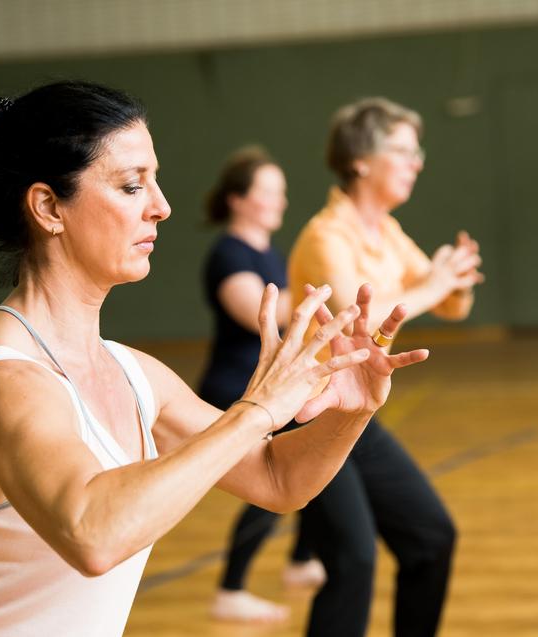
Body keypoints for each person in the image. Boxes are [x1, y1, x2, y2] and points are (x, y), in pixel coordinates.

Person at [0, 78, 428, 637]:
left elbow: (277, 478)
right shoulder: (2, 380)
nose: (162, 207)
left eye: (156, 182)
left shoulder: (134, 374)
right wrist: (257, 410)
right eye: (131, 186)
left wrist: (353, 410)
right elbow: (91, 533)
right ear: (49, 206)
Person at [288, 97, 484, 637]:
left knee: (431, 537)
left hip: (353, 413)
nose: (416, 161)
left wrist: (454, 278)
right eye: (401, 150)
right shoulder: (325, 235)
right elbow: (365, 324)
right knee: (353, 561)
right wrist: (432, 285)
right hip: (306, 410)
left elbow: (448, 304)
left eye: (416, 151)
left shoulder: (388, 232)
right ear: (360, 162)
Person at [197, 146, 325, 623]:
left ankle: (301, 560)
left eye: (281, 192)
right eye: (268, 191)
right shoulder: (228, 255)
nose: (279, 201)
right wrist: (329, 286)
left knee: (317, 464)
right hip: (237, 389)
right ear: (238, 200)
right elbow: (264, 315)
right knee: (273, 480)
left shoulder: (269, 253)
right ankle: (230, 590)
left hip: (273, 389)